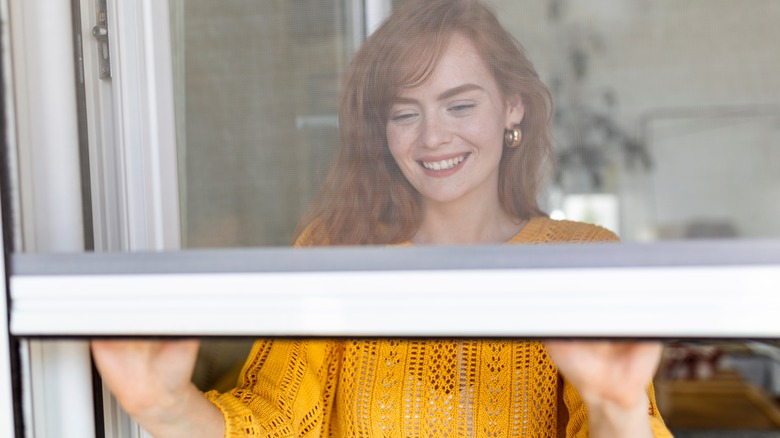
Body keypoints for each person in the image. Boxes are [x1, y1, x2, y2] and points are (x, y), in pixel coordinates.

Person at [92, 0, 671, 436]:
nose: (434, 136)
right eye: (404, 113)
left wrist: (615, 409)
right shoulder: (335, 252)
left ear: (512, 106)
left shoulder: (582, 256)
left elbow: (617, 419)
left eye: (460, 104)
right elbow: (273, 424)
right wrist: (165, 405)